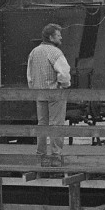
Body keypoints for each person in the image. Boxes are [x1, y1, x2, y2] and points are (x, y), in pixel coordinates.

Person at [26, 23, 71, 160]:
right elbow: (64, 72)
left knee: (42, 124)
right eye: (58, 35)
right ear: (51, 37)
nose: (61, 37)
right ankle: (56, 155)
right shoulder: (55, 52)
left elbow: (29, 75)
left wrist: (34, 89)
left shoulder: (34, 52)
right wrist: (65, 85)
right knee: (56, 124)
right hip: (55, 93)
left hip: (39, 93)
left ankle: (41, 154)